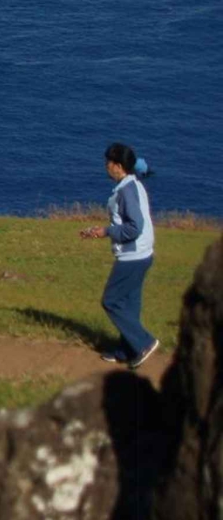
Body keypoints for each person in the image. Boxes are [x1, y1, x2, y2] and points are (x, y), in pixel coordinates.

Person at [80, 143, 161, 370]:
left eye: (108, 162)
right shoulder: (133, 183)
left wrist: (106, 231)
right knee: (130, 304)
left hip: (132, 256)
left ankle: (144, 342)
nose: (105, 166)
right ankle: (127, 349)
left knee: (111, 301)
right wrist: (103, 230)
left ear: (118, 166)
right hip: (142, 253)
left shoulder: (126, 191)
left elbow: (134, 227)